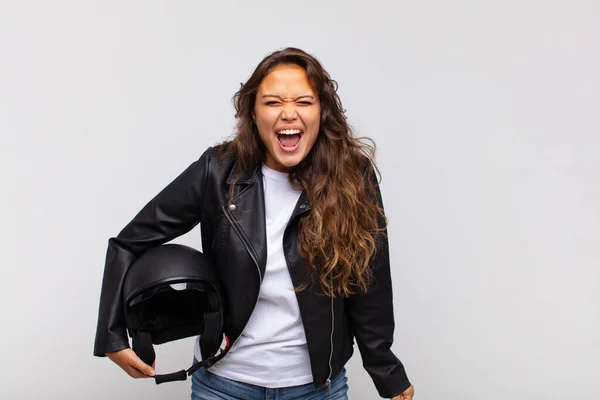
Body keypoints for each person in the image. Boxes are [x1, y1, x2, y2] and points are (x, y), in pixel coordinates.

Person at [93, 47, 415, 400]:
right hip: (223, 386)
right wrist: (110, 335)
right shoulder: (216, 171)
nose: (288, 114)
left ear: (322, 112)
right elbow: (128, 243)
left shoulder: (354, 178)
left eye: (304, 102)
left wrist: (385, 368)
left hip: (315, 389)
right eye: (273, 102)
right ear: (253, 113)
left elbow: (369, 280)